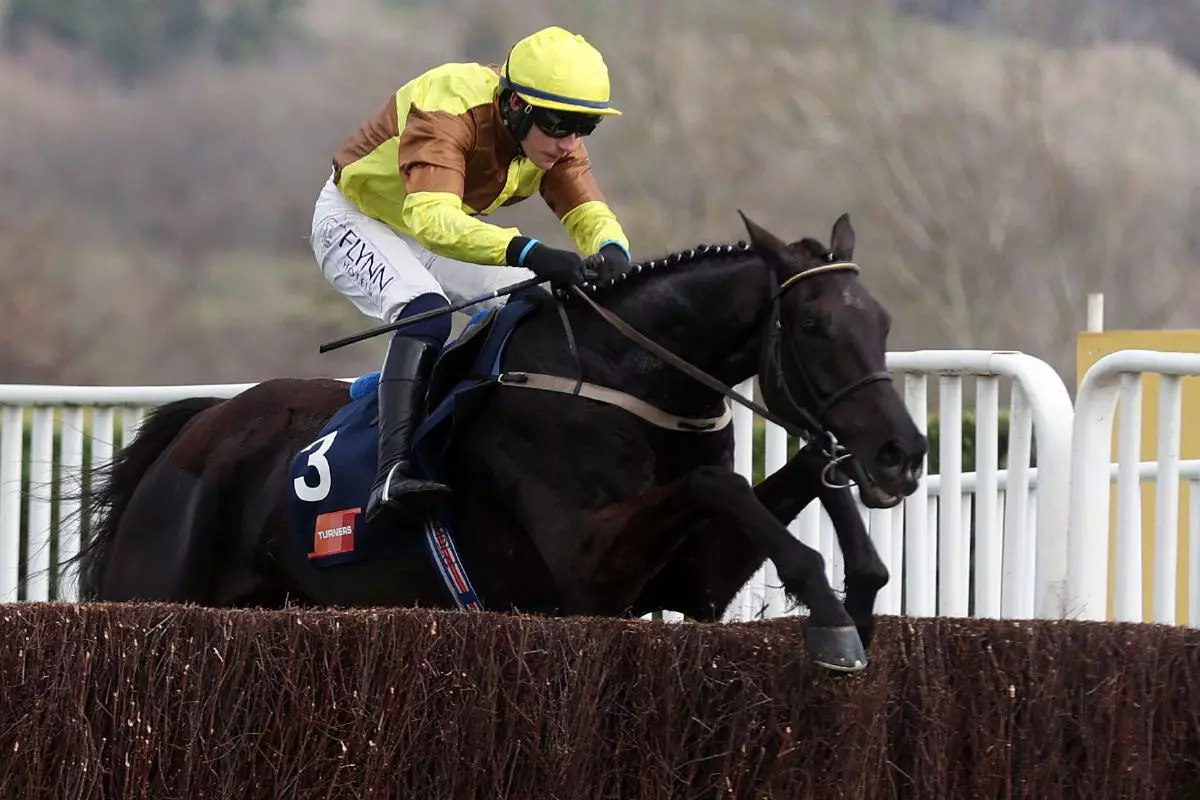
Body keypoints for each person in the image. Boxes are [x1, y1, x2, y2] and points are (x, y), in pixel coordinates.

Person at [310, 25, 634, 526]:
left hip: (434, 229)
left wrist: (612, 249)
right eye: (558, 126)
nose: (569, 142)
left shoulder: (553, 136)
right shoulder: (449, 103)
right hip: (358, 219)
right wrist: (527, 250)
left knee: (536, 311)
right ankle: (391, 474)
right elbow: (433, 220)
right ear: (515, 104)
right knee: (426, 314)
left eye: (583, 127)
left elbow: (587, 211)